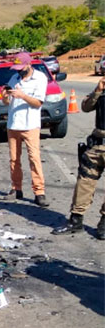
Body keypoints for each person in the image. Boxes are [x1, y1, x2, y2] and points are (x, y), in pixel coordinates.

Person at [52, 77, 105, 240]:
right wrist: (98, 90)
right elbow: (86, 107)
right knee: (84, 182)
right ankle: (76, 220)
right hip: (98, 144)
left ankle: (104, 223)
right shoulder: (101, 90)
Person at [1, 52, 49, 207]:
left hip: (30, 125)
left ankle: (39, 192)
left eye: (21, 68)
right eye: (16, 68)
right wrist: (5, 96)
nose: (18, 71)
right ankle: (16, 189)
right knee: (14, 159)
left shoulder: (40, 78)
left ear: (29, 64)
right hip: (13, 124)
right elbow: (7, 103)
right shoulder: (14, 78)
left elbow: (38, 103)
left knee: (34, 158)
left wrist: (22, 95)